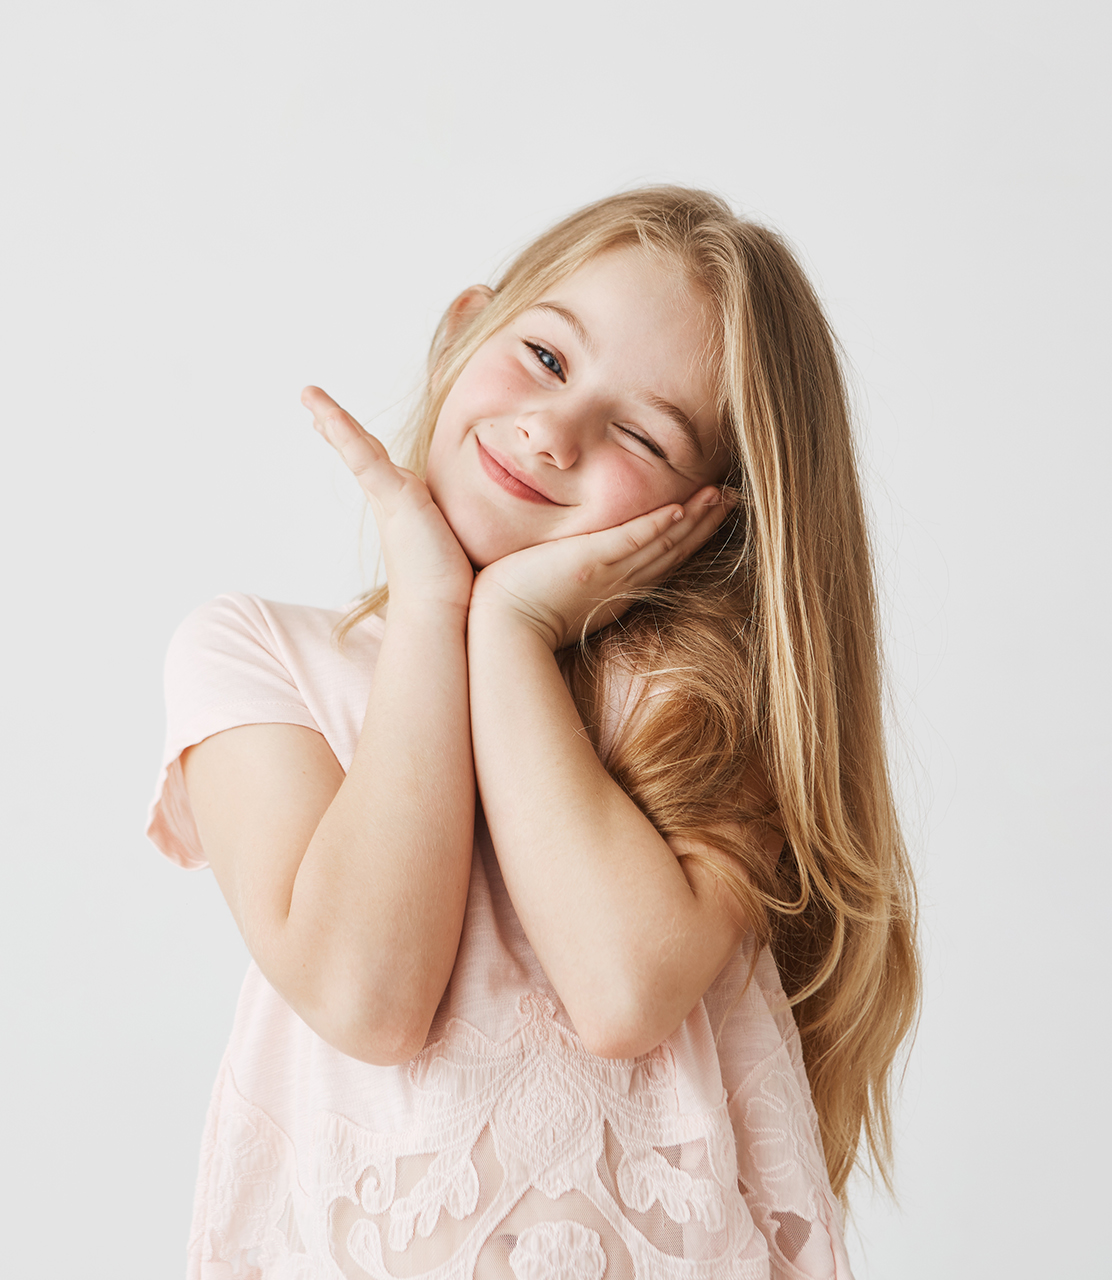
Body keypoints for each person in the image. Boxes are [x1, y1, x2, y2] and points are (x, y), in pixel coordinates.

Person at [146, 187, 919, 1280]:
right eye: (549, 359)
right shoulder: (260, 658)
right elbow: (368, 995)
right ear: (464, 325)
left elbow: (622, 991)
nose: (552, 431)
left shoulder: (691, 706)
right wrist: (430, 607)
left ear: (708, 513)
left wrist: (508, 630)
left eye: (643, 434)